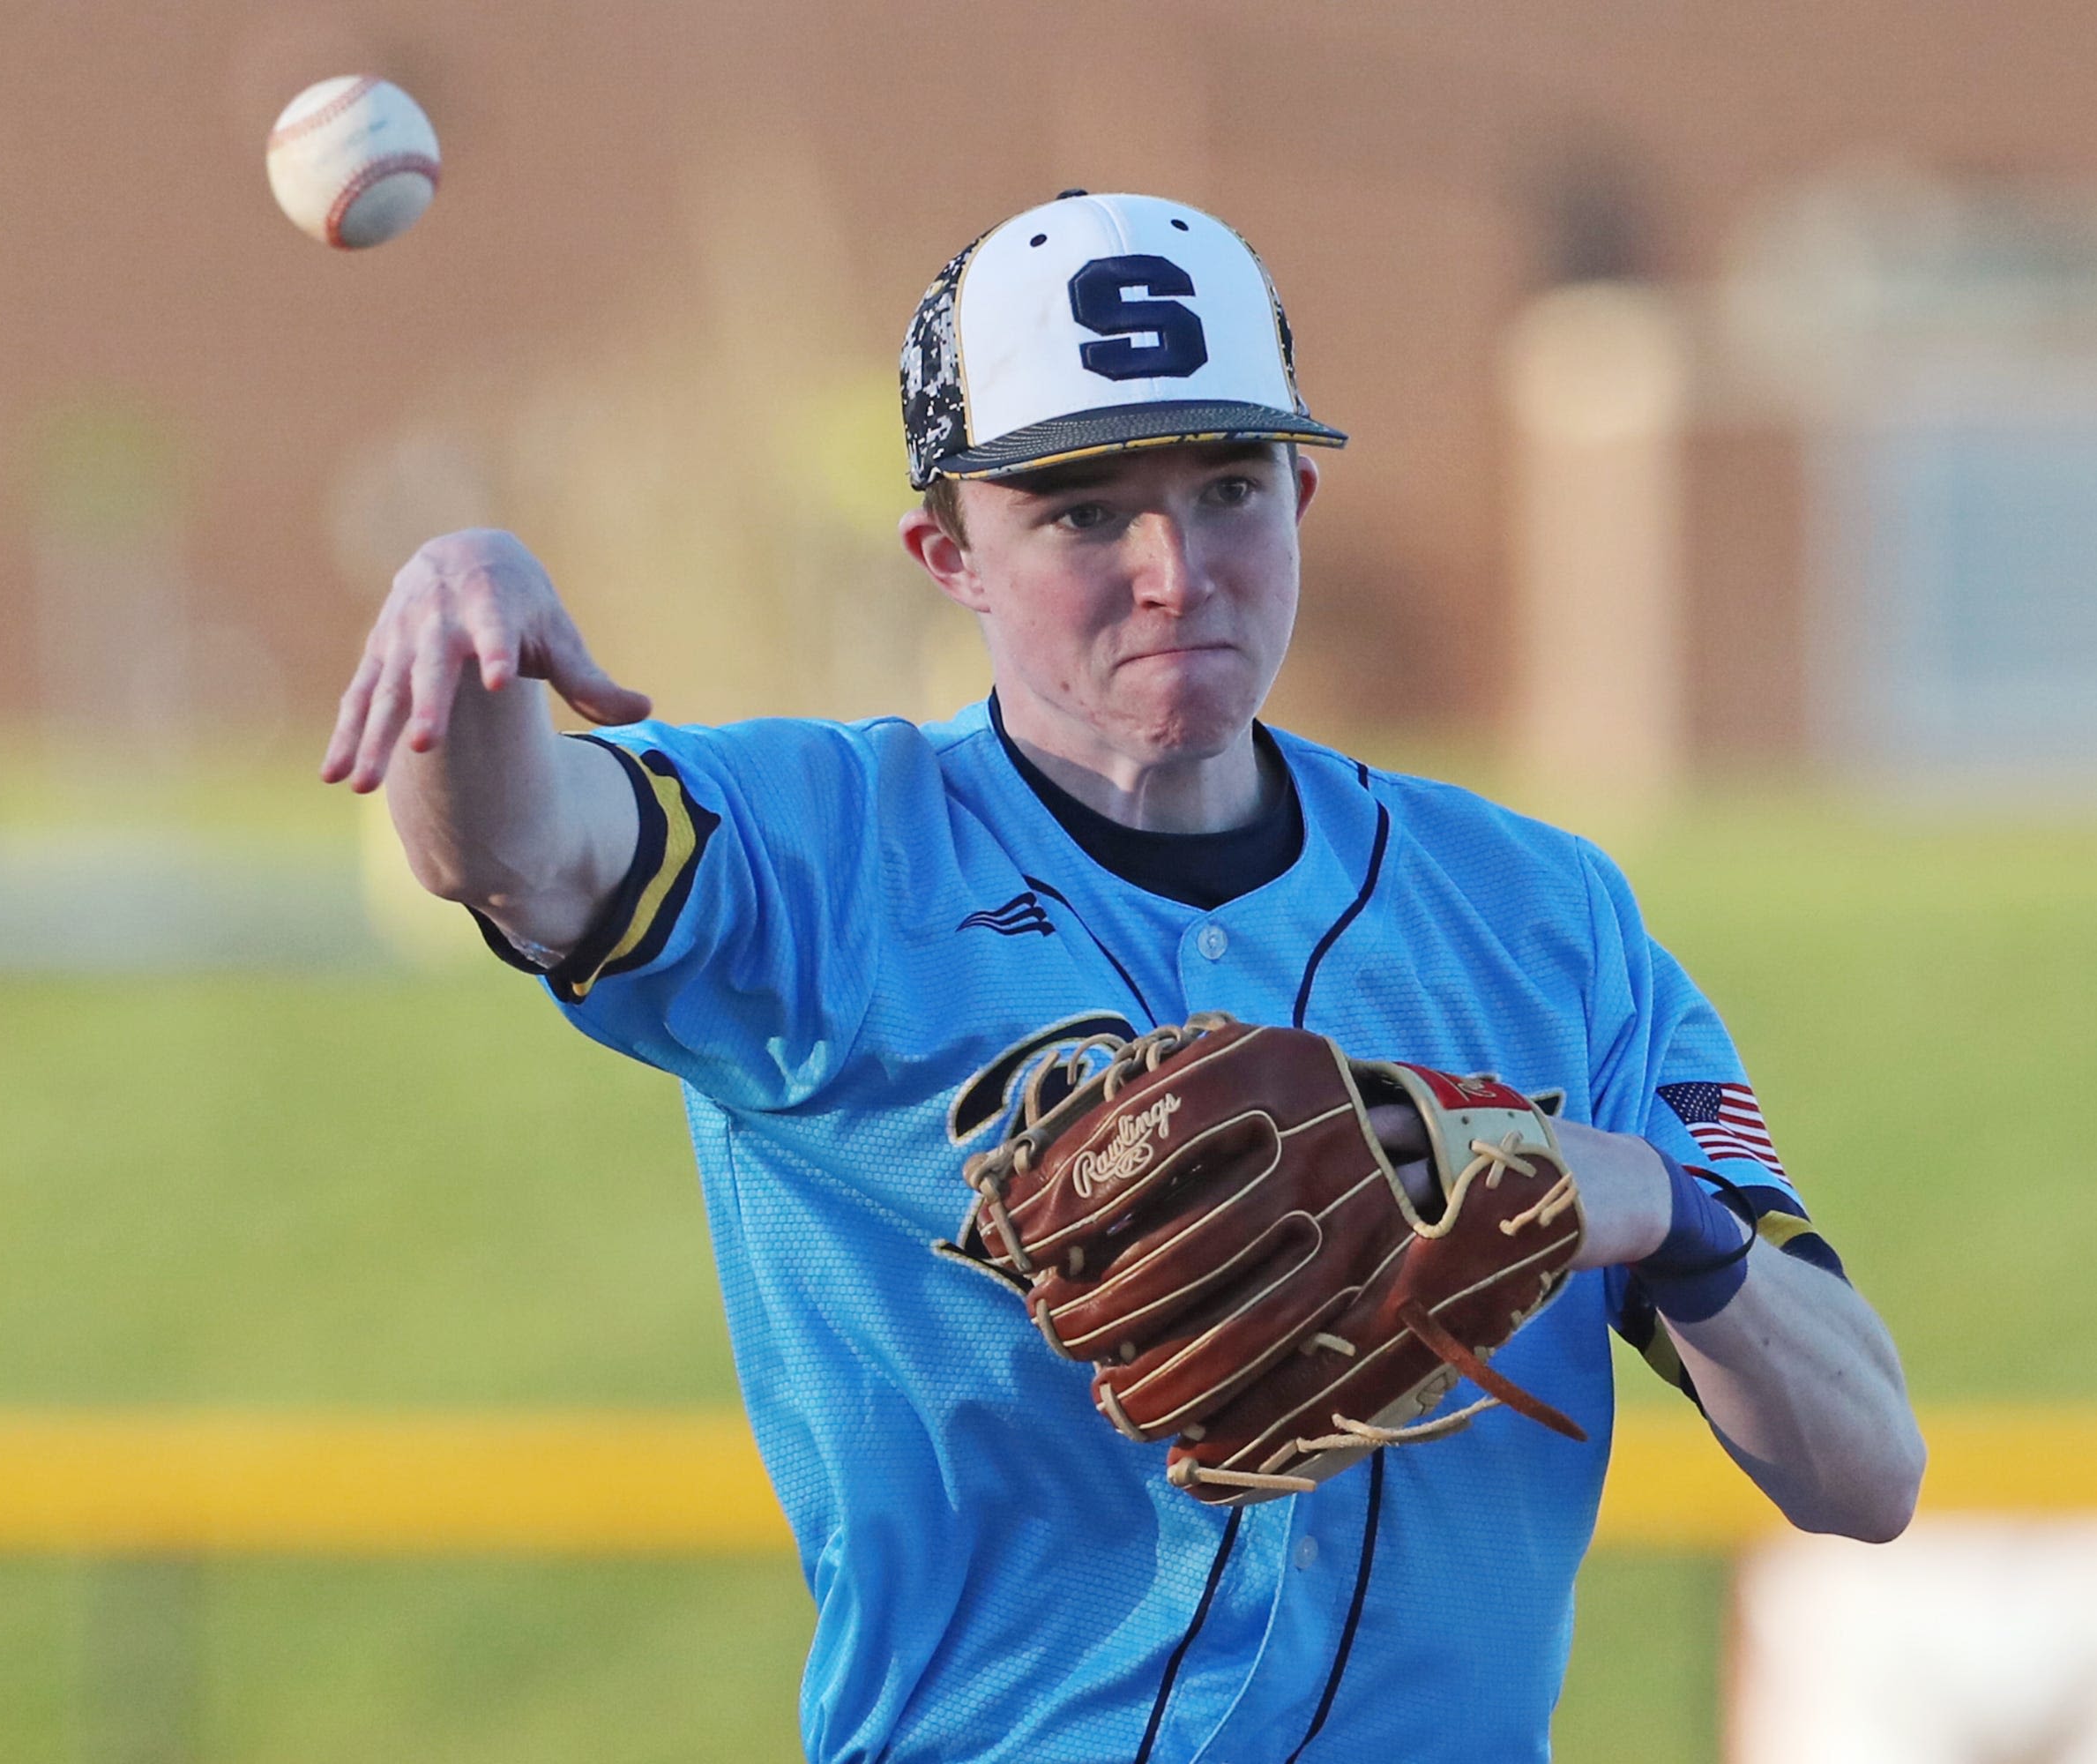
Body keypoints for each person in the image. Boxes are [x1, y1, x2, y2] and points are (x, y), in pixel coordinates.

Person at [320, 191, 1922, 1764]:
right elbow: (515, 851)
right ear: (946, 550)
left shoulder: (1542, 915)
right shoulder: (816, 858)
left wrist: (1649, 1204)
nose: (1176, 569)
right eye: (1084, 511)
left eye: (1227, 486)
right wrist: (468, 641)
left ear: (1300, 495)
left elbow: (1864, 1472)